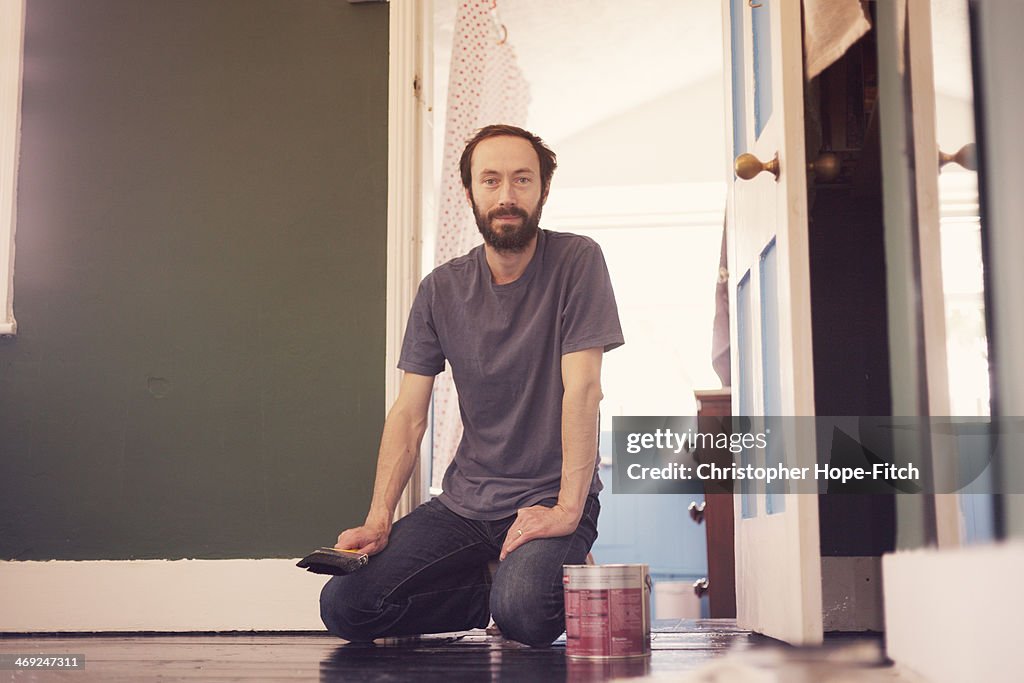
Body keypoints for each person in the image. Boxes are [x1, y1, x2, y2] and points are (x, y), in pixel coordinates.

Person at [319, 124, 624, 647]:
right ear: (470, 193)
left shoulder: (578, 260)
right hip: (465, 502)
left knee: (526, 615)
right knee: (346, 606)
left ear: (543, 190)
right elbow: (410, 413)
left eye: (522, 180)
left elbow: (585, 390)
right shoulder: (440, 289)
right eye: (490, 181)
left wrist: (567, 510)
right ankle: (498, 584)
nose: (506, 196)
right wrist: (379, 519)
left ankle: (521, 588)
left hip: (549, 497)